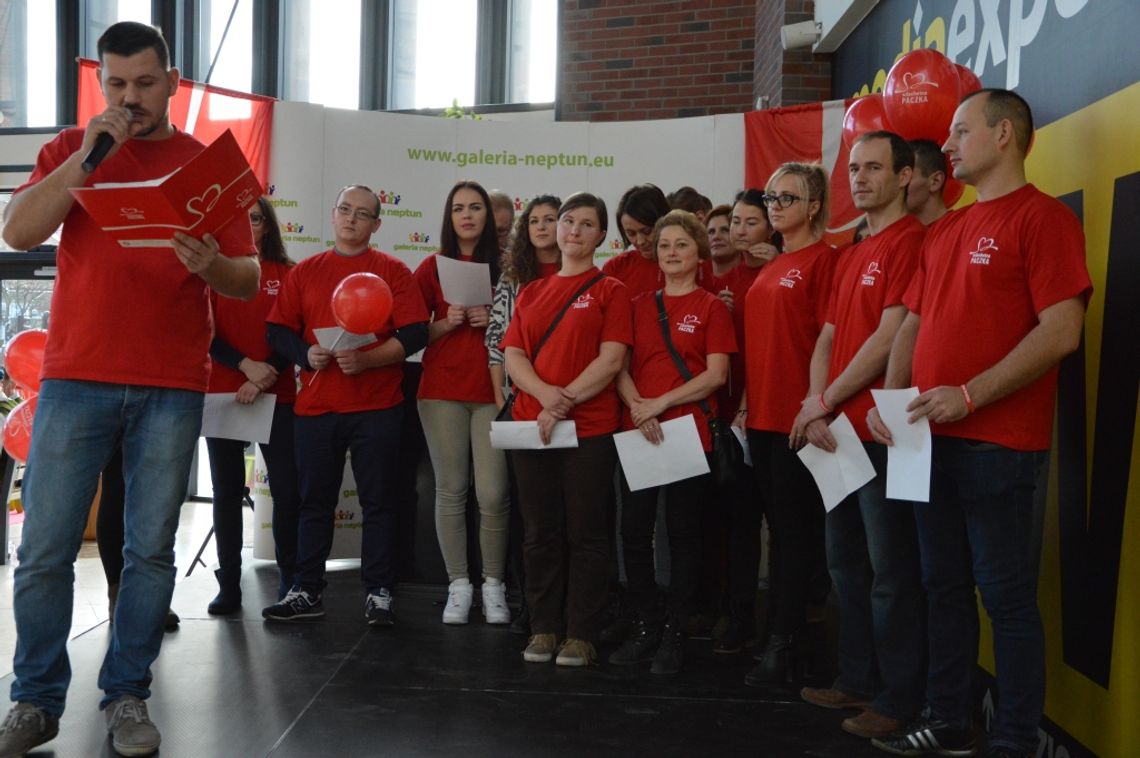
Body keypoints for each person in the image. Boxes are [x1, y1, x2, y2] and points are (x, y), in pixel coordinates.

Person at [0, 21, 259, 757]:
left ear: (172, 83)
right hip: (77, 375)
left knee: (149, 552)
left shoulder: (205, 164)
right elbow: (19, 232)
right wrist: (85, 159)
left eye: (144, 83)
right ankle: (34, 701)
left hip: (171, 383)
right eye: (116, 84)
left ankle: (127, 696)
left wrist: (210, 263)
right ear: (101, 84)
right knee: (46, 547)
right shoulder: (70, 150)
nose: (129, 97)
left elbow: (245, 278)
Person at [868, 90, 1090, 758]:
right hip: (928, 440)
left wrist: (969, 395)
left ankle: (1016, 738)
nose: (949, 143)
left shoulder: (1042, 219)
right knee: (943, 589)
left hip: (999, 444)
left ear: (1004, 134)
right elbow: (915, 320)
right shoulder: (946, 231)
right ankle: (949, 717)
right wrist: (893, 398)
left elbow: (1062, 333)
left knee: (1006, 597)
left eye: (960, 131)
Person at [790, 131, 926, 740]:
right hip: (837, 429)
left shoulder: (912, 242)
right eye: (853, 167)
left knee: (890, 569)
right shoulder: (852, 252)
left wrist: (828, 398)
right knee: (845, 562)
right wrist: (816, 406)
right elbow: (827, 336)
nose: (861, 177)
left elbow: (889, 338)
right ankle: (855, 677)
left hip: (882, 429)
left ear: (904, 176)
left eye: (874, 167)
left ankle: (898, 698)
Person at [261, 185, 429, 626]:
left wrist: (369, 359)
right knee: (312, 502)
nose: (351, 219)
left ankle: (379, 592)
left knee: (379, 501)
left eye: (363, 214)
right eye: (345, 210)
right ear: (333, 215)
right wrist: (304, 354)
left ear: (377, 224)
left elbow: (415, 333)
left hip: (378, 406)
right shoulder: (306, 272)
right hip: (316, 409)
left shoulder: (393, 271)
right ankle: (306, 589)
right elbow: (278, 332)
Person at [503, 192, 632, 667]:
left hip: (589, 430)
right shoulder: (531, 291)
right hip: (532, 427)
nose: (573, 231)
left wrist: (563, 402)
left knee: (587, 533)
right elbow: (513, 354)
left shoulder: (611, 290)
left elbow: (612, 359)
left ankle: (581, 631)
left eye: (585, 224)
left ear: (601, 236)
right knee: (539, 532)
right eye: (566, 221)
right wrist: (544, 396)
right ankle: (543, 627)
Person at [610, 210, 735, 675]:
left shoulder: (711, 307)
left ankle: (675, 633)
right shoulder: (639, 303)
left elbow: (716, 375)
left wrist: (659, 403)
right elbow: (617, 365)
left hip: (688, 433)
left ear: (698, 251)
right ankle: (647, 623)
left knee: (683, 539)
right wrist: (638, 405)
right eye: (665, 246)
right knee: (634, 535)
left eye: (681, 245)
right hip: (639, 430)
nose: (672, 253)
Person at [736, 162, 836, 686]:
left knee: (797, 536)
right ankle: (776, 633)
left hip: (800, 419)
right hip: (764, 419)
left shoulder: (826, 261)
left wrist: (815, 403)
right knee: (779, 532)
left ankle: (786, 642)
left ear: (814, 206)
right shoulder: (770, 266)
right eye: (771, 197)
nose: (774, 206)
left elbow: (831, 339)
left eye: (787, 198)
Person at [414, 181, 510, 625]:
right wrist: (443, 322)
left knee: (492, 493)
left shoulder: (509, 266)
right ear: (448, 218)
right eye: (458, 209)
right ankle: (459, 585)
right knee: (450, 490)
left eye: (476, 208)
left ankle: (494, 585)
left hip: (493, 392)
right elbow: (412, 336)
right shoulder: (430, 268)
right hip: (440, 391)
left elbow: (528, 333)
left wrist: (495, 321)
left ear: (489, 217)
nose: (467, 215)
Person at [204, 198, 302, 612]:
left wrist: (265, 375)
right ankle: (229, 586)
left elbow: (295, 331)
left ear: (269, 226)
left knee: (287, 491)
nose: (248, 226)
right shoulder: (212, 273)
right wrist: (244, 367)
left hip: (276, 393)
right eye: (239, 220)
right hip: (224, 391)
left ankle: (292, 584)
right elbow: (202, 332)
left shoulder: (288, 272)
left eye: (256, 219)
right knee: (226, 493)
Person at [484, 193, 562, 635]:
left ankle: (569, 604)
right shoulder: (514, 276)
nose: (542, 227)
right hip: (521, 407)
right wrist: (501, 398)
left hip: (572, 409)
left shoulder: (587, 276)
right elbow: (496, 338)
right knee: (529, 516)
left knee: (567, 514)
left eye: (551, 219)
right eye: (534, 220)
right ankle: (532, 605)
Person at [709, 190, 781, 655]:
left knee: (782, 525)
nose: (739, 230)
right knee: (737, 525)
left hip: (774, 412)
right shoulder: (722, 280)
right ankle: (738, 617)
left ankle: (781, 625)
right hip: (728, 417)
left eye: (750, 222)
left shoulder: (780, 272)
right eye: (735, 221)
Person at [602, 183, 673, 298]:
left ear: (665, 221)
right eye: (631, 233)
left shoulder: (686, 262)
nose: (640, 241)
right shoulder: (616, 267)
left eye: (647, 231)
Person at [906, 139, 950, 226]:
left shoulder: (963, 229)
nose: (898, 185)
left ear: (935, 181)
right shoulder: (896, 236)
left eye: (906, 176)